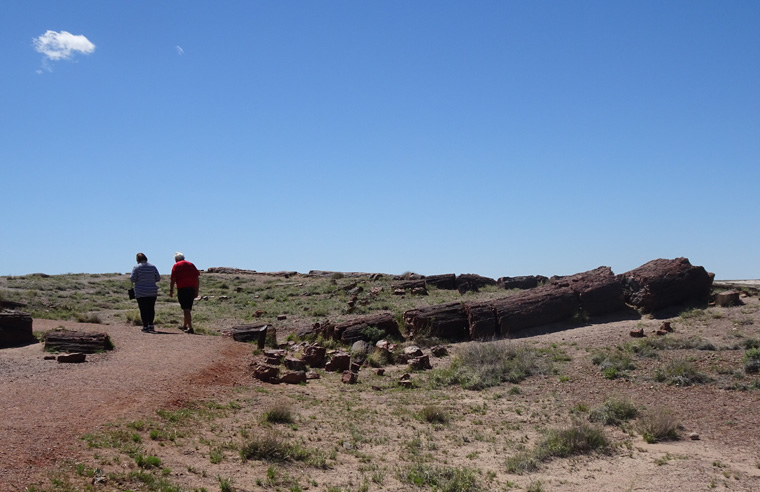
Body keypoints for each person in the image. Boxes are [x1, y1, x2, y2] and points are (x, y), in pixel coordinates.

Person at [169, 252, 200, 334]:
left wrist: (171, 290)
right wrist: (197, 290)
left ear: (176, 259)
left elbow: (173, 279)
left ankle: (190, 327)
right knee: (188, 308)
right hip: (192, 288)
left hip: (182, 289)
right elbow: (197, 278)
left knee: (185, 308)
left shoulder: (176, 265)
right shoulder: (191, 265)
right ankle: (185, 326)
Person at [130, 252, 161, 333]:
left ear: (138, 259)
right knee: (151, 308)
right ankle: (151, 325)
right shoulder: (152, 267)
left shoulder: (136, 267)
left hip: (141, 291)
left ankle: (145, 326)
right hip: (152, 291)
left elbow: (132, 278)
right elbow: (158, 278)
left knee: (143, 309)